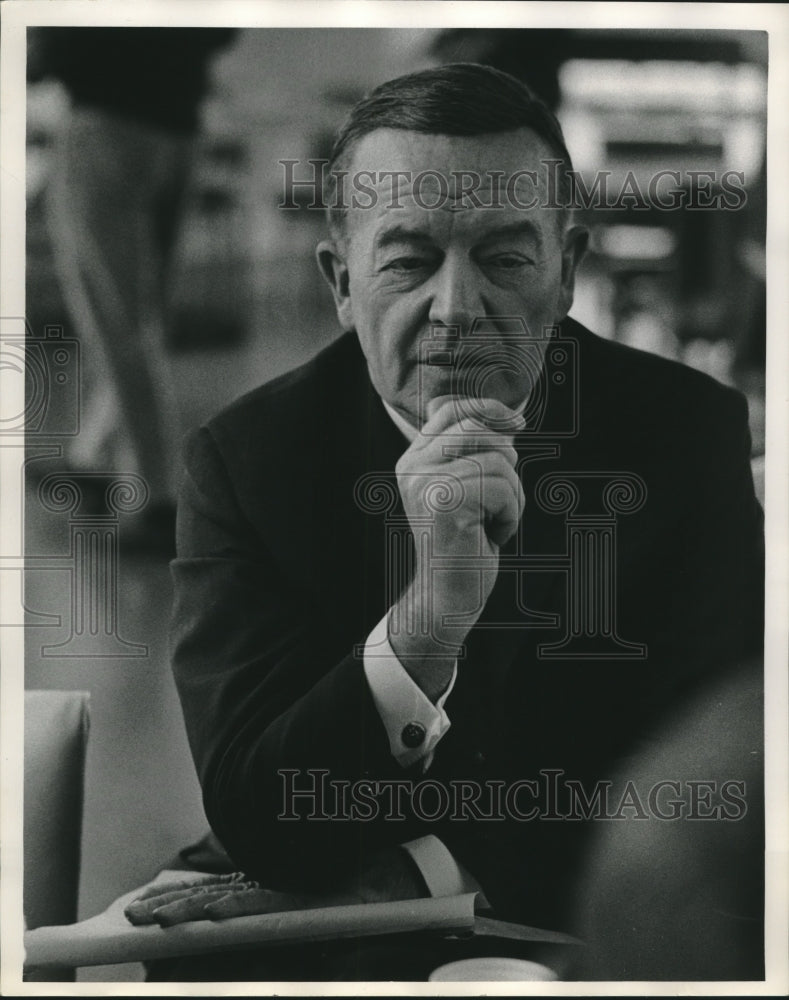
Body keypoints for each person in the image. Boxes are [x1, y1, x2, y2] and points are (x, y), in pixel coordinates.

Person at [149, 63, 763, 980]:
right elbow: (260, 812)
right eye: (407, 261)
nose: (457, 310)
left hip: (572, 908)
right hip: (310, 889)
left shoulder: (682, 433)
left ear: (566, 272)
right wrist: (426, 624)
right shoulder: (247, 462)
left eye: (504, 259)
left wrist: (419, 870)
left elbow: (718, 784)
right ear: (341, 282)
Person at [28, 28, 236, 540]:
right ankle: (92, 459)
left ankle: (156, 497)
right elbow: (221, 28)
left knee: (119, 321)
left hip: (105, 127)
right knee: (141, 321)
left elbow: (52, 51)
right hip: (179, 133)